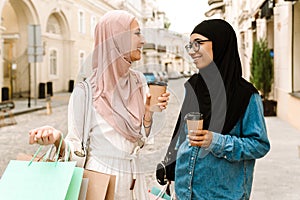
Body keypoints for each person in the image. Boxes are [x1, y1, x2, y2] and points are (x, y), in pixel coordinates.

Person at [28, 10, 169, 200]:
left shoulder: (139, 82)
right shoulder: (86, 92)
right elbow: (76, 147)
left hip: (135, 182)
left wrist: (148, 113)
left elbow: (140, 139)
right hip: (101, 182)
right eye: (136, 33)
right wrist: (57, 139)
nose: (142, 40)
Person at [162, 19, 270, 199]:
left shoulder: (245, 95)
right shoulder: (195, 85)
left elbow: (259, 145)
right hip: (184, 192)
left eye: (198, 44)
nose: (192, 51)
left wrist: (216, 141)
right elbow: (181, 132)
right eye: (190, 45)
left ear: (219, 44)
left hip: (222, 194)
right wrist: (169, 169)